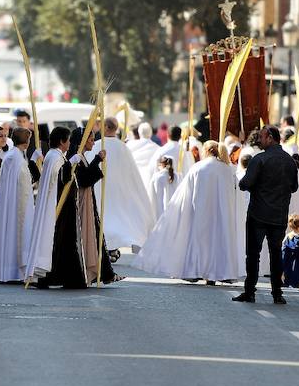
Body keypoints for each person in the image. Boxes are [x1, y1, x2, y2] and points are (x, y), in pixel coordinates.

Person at [134, 141, 241, 284]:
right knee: (219, 241)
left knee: (200, 241)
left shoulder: (198, 168)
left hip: (201, 211)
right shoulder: (228, 170)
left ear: (206, 151)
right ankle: (219, 272)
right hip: (223, 213)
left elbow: (186, 192)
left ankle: (196, 270)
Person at [40, 127, 118, 287]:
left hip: (81, 202)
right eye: (89, 139)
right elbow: (81, 180)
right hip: (74, 205)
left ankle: (103, 273)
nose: (92, 142)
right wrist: (97, 160)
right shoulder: (69, 158)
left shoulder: (77, 157)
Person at [234, 125, 299, 304]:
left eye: (262, 137)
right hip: (278, 215)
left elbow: (245, 184)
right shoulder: (289, 161)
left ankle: (250, 292)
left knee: (253, 254)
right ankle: (277, 293)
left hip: (258, 214)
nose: (259, 140)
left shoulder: (259, 159)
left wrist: (247, 181)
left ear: (270, 137)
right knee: (276, 254)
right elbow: (294, 187)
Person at [0, 127, 38, 283]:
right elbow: (20, 183)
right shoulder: (13, 157)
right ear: (26, 141)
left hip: (18, 203)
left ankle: (15, 272)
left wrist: (32, 163)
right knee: (12, 236)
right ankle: (9, 272)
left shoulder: (16, 156)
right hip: (14, 206)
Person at [89, 117, 154, 254]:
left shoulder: (97, 146)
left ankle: (108, 247)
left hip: (103, 189)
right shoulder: (123, 147)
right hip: (116, 190)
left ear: (106, 127)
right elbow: (132, 173)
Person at [24, 126, 72, 282]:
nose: (70, 143)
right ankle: (42, 273)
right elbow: (59, 180)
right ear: (61, 141)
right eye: (68, 140)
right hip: (52, 202)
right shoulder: (55, 157)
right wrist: (71, 163)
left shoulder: (54, 155)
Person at [148, 156, 180, 226]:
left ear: (160, 165)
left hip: (160, 217)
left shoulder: (157, 177)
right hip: (174, 216)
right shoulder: (177, 176)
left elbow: (152, 198)